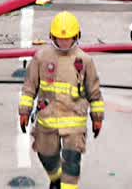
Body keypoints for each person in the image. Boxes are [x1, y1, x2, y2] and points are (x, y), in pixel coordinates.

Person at [20, 11, 104, 189]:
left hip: (74, 120)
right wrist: (24, 112)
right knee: (45, 154)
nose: (64, 42)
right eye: (60, 38)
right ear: (52, 36)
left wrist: (97, 118)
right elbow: (29, 87)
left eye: (68, 38)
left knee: (71, 162)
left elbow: (94, 93)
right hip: (47, 119)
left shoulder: (85, 61)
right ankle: (56, 178)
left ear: (76, 36)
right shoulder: (41, 58)